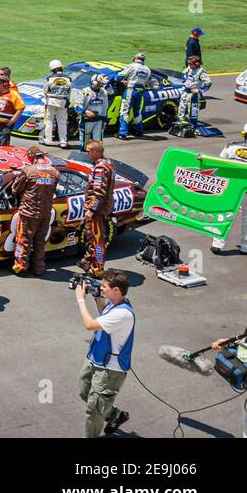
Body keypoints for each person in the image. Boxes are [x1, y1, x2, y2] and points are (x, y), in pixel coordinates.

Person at [76, 268, 133, 438]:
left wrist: (81, 300)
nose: (102, 288)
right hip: (96, 359)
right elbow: (104, 312)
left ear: (116, 290)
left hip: (110, 369)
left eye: (104, 287)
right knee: (84, 390)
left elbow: (90, 324)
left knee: (93, 410)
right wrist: (96, 296)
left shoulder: (122, 313)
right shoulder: (115, 304)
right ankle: (114, 415)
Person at [9, 145, 60, 276]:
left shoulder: (28, 171)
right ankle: (39, 269)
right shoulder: (55, 172)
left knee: (23, 239)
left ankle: (21, 267)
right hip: (46, 212)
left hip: (28, 213)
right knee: (39, 241)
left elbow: (15, 189)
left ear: (31, 157)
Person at [80, 140, 115, 276]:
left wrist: (91, 209)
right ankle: (88, 261)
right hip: (103, 207)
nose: (87, 154)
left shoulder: (100, 168)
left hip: (98, 210)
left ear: (95, 152)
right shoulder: (108, 163)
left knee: (97, 239)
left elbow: (99, 192)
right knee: (93, 237)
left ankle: (98, 268)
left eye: (88, 151)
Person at [211, 123, 247, 253]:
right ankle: (245, 246)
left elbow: (219, 165)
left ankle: (217, 244)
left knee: (224, 215)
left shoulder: (230, 147)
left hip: (231, 189)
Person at [115, 52, 152, 139]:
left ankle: (122, 133)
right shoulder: (148, 69)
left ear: (135, 58)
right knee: (137, 112)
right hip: (140, 92)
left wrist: (122, 81)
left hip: (130, 90)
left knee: (124, 111)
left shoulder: (132, 66)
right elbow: (148, 82)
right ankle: (139, 130)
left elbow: (119, 77)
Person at [42, 60, 73, 148]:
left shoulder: (49, 78)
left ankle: (48, 140)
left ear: (52, 69)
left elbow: (45, 90)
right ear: (61, 67)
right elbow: (70, 91)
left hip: (51, 101)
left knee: (49, 121)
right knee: (62, 122)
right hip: (63, 102)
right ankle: (63, 142)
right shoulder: (68, 79)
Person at [0, 73, 24, 146]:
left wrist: (12, 121)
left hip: (5, 125)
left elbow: (21, 107)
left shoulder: (13, 94)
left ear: (5, 84)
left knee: (3, 143)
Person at [175, 55, 211, 131]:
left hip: (193, 95)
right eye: (188, 63)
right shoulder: (188, 68)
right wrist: (184, 83)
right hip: (185, 92)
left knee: (192, 111)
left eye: (191, 63)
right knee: (181, 108)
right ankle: (180, 124)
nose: (189, 65)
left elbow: (208, 83)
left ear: (197, 63)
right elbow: (183, 77)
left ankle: (193, 127)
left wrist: (200, 90)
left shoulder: (201, 72)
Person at [76, 73, 111, 151]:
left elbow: (105, 107)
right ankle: (83, 158)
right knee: (85, 143)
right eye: (100, 83)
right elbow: (77, 106)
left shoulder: (104, 92)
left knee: (98, 143)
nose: (101, 85)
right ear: (94, 82)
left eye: (102, 84)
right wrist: (85, 111)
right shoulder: (84, 92)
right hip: (86, 121)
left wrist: (105, 121)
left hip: (99, 121)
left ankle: (97, 159)